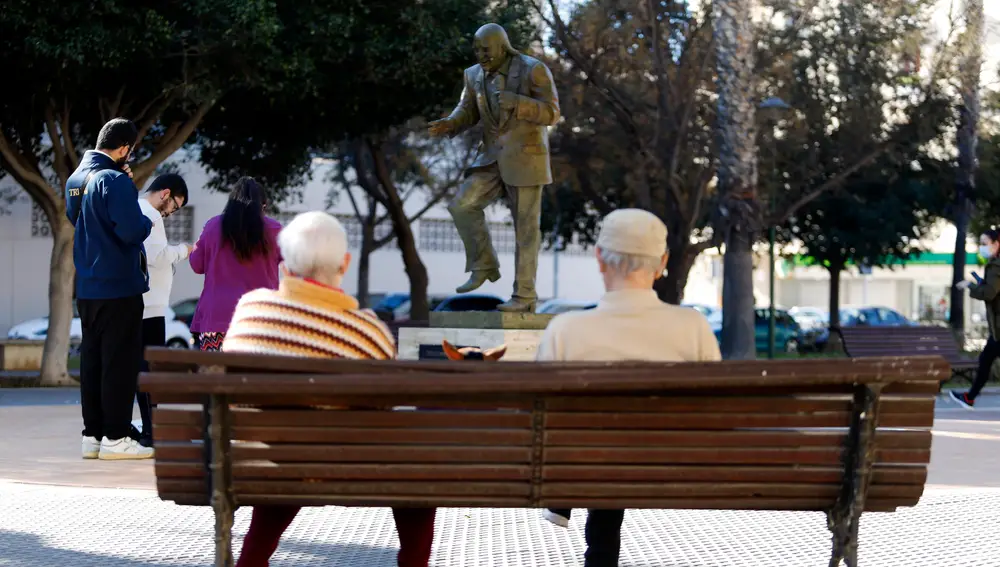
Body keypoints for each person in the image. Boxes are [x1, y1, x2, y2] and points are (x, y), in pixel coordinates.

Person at [224, 211, 437, 567]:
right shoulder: (368, 334)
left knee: (287, 448)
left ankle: (251, 559)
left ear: (285, 265)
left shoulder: (251, 311)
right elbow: (387, 409)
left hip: (260, 462)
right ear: (345, 263)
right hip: (346, 468)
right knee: (415, 470)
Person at [535, 208, 721, 567]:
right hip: (673, 466)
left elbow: (544, 414)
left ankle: (573, 514)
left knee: (601, 445)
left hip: (594, 466)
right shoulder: (693, 326)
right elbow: (712, 411)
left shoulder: (566, 329)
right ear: (662, 261)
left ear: (599, 259)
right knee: (617, 446)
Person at [428, 23, 560, 313]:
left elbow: (552, 112)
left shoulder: (532, 69)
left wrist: (519, 103)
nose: (480, 55)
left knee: (526, 231)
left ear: (502, 46)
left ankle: (524, 298)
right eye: (476, 49)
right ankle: (483, 265)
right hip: (490, 158)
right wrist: (450, 123)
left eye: (485, 50)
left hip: (526, 159)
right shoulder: (473, 75)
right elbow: (467, 110)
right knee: (462, 206)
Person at [65, 118, 154, 460]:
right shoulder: (115, 181)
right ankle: (116, 436)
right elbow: (132, 230)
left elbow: (83, 221)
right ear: (123, 149)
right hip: (119, 284)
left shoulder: (76, 180)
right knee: (119, 361)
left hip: (88, 286)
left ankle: (94, 434)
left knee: (93, 359)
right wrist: (145, 217)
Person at [189, 177, 280, 350]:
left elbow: (196, 265)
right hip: (262, 317)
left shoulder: (213, 226)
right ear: (263, 205)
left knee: (215, 374)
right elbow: (293, 264)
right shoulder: (274, 229)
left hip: (216, 317)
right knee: (257, 376)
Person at [135, 173, 193, 447]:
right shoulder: (152, 214)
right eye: (175, 206)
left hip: (138, 302)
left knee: (139, 369)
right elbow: (157, 257)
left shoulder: (134, 207)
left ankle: (147, 427)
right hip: (151, 306)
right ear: (165, 194)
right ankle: (151, 430)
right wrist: (185, 250)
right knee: (150, 371)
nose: (172, 212)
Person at [951, 229, 1000, 409]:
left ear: (996, 244)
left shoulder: (995, 266)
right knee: (985, 361)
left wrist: (970, 285)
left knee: (985, 361)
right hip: (997, 329)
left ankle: (970, 397)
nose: (981, 247)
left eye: (984, 243)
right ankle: (969, 397)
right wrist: (980, 283)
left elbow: (989, 293)